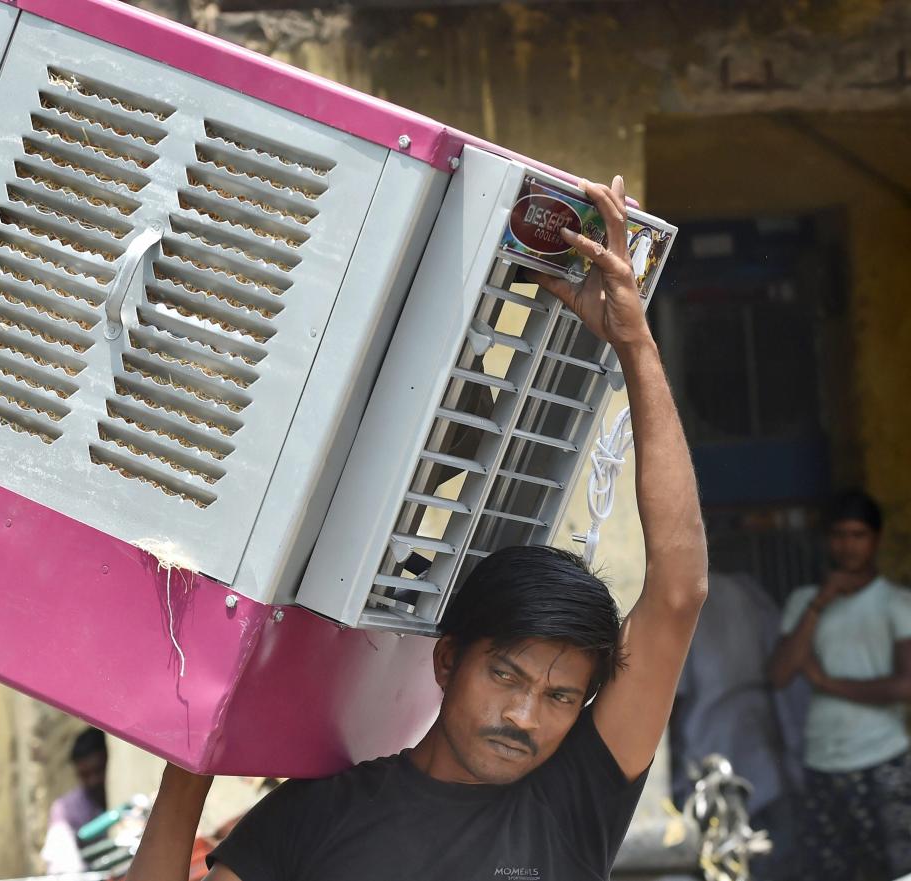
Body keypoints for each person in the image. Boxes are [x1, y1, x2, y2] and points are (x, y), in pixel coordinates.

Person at [124, 175, 709, 881]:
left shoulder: (571, 798)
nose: (524, 715)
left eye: (559, 697)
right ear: (447, 660)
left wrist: (635, 346)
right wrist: (189, 765)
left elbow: (678, 591)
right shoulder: (320, 812)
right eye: (504, 674)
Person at [769, 490, 911, 880]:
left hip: (884, 759)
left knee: (897, 871)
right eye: (839, 535)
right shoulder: (803, 601)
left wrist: (826, 682)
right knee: (830, 873)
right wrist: (822, 602)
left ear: (877, 539)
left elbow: (905, 686)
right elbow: (779, 675)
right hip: (822, 761)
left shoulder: (897, 603)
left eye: (858, 534)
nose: (847, 545)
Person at [670, 571, 807, 881]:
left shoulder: (681, 599)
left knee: (726, 854)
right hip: (758, 740)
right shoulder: (745, 591)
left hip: (711, 748)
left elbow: (672, 700)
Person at [40, 727, 109, 873]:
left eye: (99, 770)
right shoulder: (66, 809)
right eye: (85, 775)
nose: (93, 781)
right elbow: (61, 864)